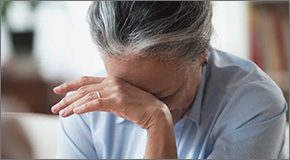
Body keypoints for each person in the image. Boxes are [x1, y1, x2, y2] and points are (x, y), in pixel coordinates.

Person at [52, 1, 288, 159]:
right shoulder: (87, 108)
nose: (137, 104)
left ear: (202, 52)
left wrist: (158, 123)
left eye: (162, 95)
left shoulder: (255, 105)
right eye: (124, 90)